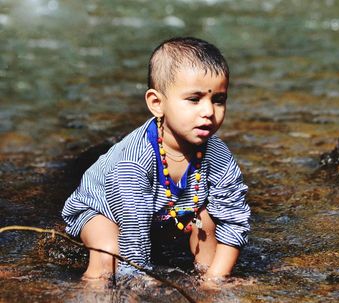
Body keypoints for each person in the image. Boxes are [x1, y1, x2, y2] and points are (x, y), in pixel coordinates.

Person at [61, 37, 251, 281]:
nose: (208, 112)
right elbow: (133, 240)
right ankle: (93, 293)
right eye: (194, 99)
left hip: (167, 214)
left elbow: (234, 220)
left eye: (218, 100)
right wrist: (139, 289)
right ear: (157, 103)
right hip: (103, 212)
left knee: (208, 223)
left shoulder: (218, 156)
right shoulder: (133, 163)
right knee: (108, 253)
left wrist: (216, 280)